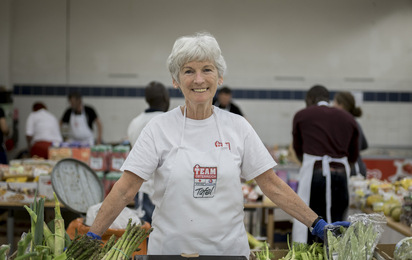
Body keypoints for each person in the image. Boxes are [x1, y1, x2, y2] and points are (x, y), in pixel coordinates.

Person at [88, 32, 348, 258]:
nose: (199, 79)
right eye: (188, 71)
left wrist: (317, 224)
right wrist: (92, 235)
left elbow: (272, 185)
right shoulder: (158, 129)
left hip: (229, 253)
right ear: (176, 80)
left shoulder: (238, 127)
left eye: (207, 70)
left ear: (219, 77)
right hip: (170, 252)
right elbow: (125, 190)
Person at [292, 85, 359, 244]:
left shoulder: (302, 115)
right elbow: (354, 154)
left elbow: (298, 148)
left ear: (310, 99)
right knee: (338, 223)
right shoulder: (348, 118)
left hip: (315, 172)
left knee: (311, 220)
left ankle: (309, 253)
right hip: (341, 174)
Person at [127, 81, 170, 224]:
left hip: (142, 189)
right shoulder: (169, 122)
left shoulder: (135, 122)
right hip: (165, 191)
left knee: (144, 238)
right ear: (165, 97)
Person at [333, 92, 368, 177]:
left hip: (351, 170)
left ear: (340, 105)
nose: (332, 106)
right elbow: (364, 145)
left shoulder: (343, 124)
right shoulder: (355, 122)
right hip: (359, 167)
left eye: (334, 102)